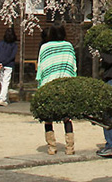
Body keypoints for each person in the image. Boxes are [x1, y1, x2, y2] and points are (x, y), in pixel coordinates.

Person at [36, 24, 76, 155]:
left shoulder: (45, 47)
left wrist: (40, 86)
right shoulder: (68, 46)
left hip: (49, 84)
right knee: (67, 118)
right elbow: (73, 66)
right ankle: (69, 147)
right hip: (65, 85)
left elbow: (41, 68)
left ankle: (52, 147)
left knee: (48, 117)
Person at [0, 28, 18, 106]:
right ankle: (2, 98)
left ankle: (5, 98)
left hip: (0, 64)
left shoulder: (1, 43)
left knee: (2, 82)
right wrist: (3, 63)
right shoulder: (14, 45)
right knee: (6, 82)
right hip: (8, 65)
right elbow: (12, 56)